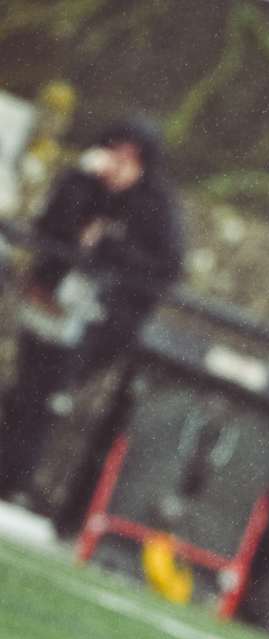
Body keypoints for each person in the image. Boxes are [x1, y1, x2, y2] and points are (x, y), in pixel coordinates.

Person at [0, 118, 183, 504]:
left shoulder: (155, 206)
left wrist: (109, 246)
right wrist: (83, 182)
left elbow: (166, 266)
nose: (118, 166)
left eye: (130, 160)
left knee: (50, 394)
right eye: (114, 153)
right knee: (26, 387)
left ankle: (17, 480)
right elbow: (50, 227)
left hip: (101, 320)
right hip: (50, 303)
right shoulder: (81, 184)